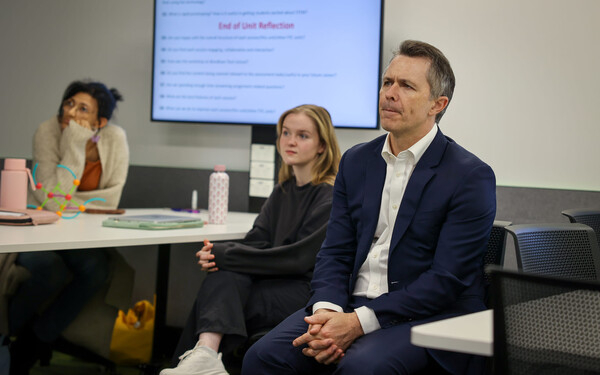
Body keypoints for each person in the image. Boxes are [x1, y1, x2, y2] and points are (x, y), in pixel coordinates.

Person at [242, 40, 497, 375]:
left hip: (429, 316)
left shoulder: (469, 175)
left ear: (438, 103)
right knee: (261, 358)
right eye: (387, 82)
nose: (390, 93)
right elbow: (335, 250)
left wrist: (358, 323)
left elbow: (445, 281)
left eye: (406, 86)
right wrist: (328, 311)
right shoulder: (358, 161)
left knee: (359, 369)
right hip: (348, 303)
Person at [160, 104, 341, 375]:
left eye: (303, 135)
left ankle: (200, 359)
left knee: (220, 296)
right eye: (286, 133)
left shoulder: (329, 195)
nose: (290, 141)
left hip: (304, 291)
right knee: (223, 276)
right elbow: (258, 240)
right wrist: (216, 253)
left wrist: (226, 255)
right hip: (274, 281)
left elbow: (297, 259)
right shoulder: (282, 191)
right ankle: (205, 357)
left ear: (322, 147)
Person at [6, 80, 128, 374]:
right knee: (50, 268)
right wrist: (75, 145)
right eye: (68, 103)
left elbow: (112, 196)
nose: (70, 112)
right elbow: (53, 201)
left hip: (78, 231)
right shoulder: (47, 131)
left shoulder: (114, 138)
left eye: (82, 108)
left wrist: (69, 200)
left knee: (98, 267)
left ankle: (33, 341)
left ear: (100, 122)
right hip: (35, 227)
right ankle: (5, 333)